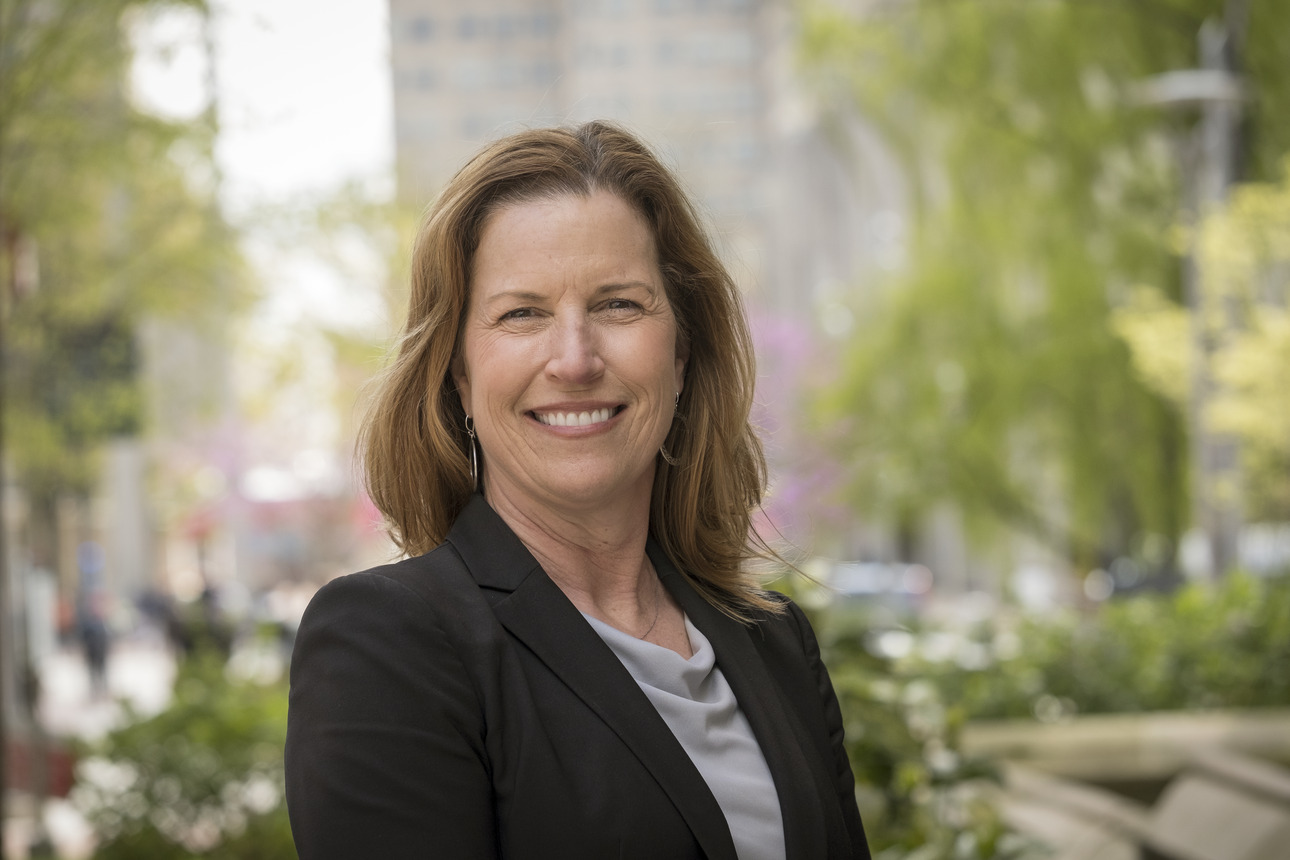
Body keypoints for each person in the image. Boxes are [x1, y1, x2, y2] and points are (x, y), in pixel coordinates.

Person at [284, 121, 871, 860]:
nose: (574, 358)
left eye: (619, 304)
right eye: (522, 313)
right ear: (459, 375)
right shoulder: (389, 644)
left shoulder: (775, 641)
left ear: (682, 355)